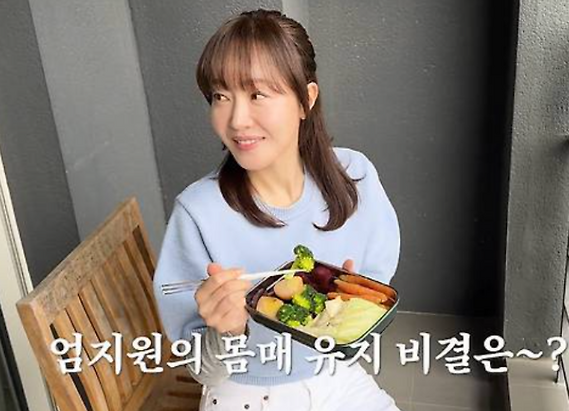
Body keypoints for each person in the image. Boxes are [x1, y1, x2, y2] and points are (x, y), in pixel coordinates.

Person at [153, 9, 401, 411]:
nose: (236, 120)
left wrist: (345, 313)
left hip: (336, 376)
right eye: (220, 96)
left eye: (257, 94)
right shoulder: (198, 213)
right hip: (248, 393)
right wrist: (227, 333)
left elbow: (373, 302)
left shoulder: (355, 176)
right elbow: (202, 369)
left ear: (306, 99)